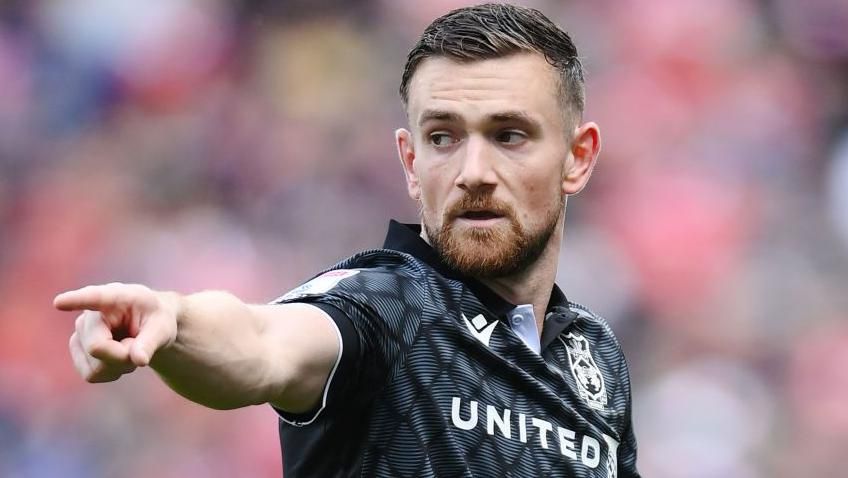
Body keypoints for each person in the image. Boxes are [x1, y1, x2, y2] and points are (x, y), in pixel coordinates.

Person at [54, 3, 640, 477]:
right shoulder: (383, 307)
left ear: (577, 158)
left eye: (509, 135)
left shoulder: (597, 357)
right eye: (443, 138)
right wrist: (175, 323)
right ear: (410, 163)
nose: (473, 171)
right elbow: (263, 342)